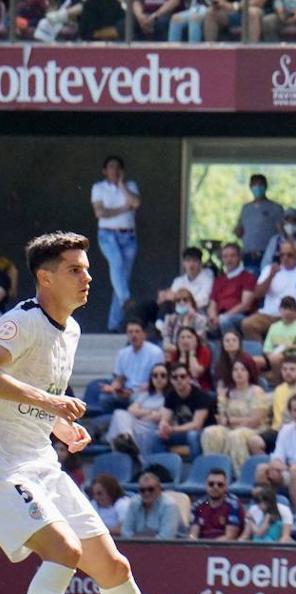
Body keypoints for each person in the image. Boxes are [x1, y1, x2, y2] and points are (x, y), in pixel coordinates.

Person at [2, 232, 228, 594]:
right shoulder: (21, 322)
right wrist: (51, 404)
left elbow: (29, 395)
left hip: (41, 460)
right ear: (45, 277)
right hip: (4, 466)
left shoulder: (73, 330)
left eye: (87, 268)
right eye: (75, 270)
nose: (88, 277)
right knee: (65, 551)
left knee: (114, 568)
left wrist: (58, 422)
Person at [91, 156, 141, 332]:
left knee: (121, 280)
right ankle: (126, 300)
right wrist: (124, 208)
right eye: (111, 167)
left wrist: (122, 186)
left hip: (128, 236)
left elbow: (135, 202)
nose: (115, 170)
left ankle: (114, 324)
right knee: (117, 265)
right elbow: (100, 212)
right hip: (108, 235)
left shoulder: (130, 186)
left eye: (118, 167)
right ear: (105, 170)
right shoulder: (98, 188)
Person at [200, 357, 270, 474]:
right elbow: (222, 418)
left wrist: (231, 421)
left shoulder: (256, 391)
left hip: (254, 429)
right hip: (231, 428)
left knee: (235, 436)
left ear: (249, 372)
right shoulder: (229, 392)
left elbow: (255, 420)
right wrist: (221, 399)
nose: (238, 373)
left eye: (243, 370)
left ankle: (242, 474)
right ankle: (215, 473)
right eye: (235, 370)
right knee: (210, 432)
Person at [243, 238, 296, 342]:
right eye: (282, 255)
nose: (285, 258)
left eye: (289, 255)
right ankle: (261, 354)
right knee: (247, 324)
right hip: (268, 315)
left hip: (294, 315)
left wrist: (294, 312)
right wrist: (271, 275)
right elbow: (257, 294)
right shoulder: (269, 269)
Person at [105, 363, 170, 458]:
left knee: (120, 421)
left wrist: (140, 412)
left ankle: (126, 441)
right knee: (119, 413)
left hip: (150, 427)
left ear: (168, 378)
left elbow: (159, 417)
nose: (159, 378)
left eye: (163, 375)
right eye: (155, 375)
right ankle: (127, 438)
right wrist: (149, 412)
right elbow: (131, 409)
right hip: (137, 423)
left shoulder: (169, 397)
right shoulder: (146, 394)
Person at [101, 319, 164, 411]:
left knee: (135, 398)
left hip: (146, 392)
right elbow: (119, 380)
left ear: (144, 334)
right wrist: (112, 388)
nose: (134, 335)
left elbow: (159, 378)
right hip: (126, 392)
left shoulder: (155, 352)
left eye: (137, 332)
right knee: (104, 399)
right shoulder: (122, 353)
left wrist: (140, 389)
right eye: (130, 332)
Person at [159, 362, 216, 457]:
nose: (179, 380)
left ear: (189, 378)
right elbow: (164, 419)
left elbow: (196, 425)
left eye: (183, 376)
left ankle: (196, 466)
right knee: (155, 436)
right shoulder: (170, 395)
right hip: (181, 431)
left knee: (192, 435)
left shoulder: (201, 396)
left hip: (203, 433)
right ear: (170, 380)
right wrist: (163, 427)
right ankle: (161, 466)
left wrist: (172, 429)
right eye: (175, 377)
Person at [234, 174, 284, 270]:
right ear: (250, 187)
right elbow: (240, 230)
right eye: (254, 185)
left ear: (265, 186)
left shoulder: (275, 207)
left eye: (260, 184)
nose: (257, 188)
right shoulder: (246, 208)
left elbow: (281, 232)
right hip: (249, 255)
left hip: (268, 254)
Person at [207, 243, 256, 338]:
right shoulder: (219, 280)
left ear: (239, 257)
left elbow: (245, 305)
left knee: (224, 320)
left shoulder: (248, 277)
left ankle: (232, 348)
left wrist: (222, 317)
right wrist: (213, 317)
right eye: (225, 256)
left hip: (239, 316)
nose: (229, 259)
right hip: (220, 317)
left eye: (232, 256)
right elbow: (212, 304)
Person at [120, 472, 182, 540]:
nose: (147, 493)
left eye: (151, 489)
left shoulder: (169, 506)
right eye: (142, 490)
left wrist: (138, 540)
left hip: (174, 548)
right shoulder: (134, 503)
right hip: (139, 546)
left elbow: (166, 538)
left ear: (159, 489)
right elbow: (125, 532)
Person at [187, 469, 244, 541]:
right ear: (206, 485)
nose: (215, 487)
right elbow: (192, 535)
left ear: (226, 486)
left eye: (220, 484)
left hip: (225, 549)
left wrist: (208, 546)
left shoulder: (233, 505)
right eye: (211, 484)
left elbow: (230, 537)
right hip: (201, 548)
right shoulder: (199, 507)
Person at [262, 296, 296, 378]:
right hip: (273, 355)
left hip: (292, 356)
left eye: (290, 309)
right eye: (284, 308)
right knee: (256, 361)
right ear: (280, 309)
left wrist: (288, 346)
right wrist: (270, 355)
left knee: (276, 358)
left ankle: (277, 382)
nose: (287, 311)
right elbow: (267, 347)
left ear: (295, 311)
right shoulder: (274, 326)